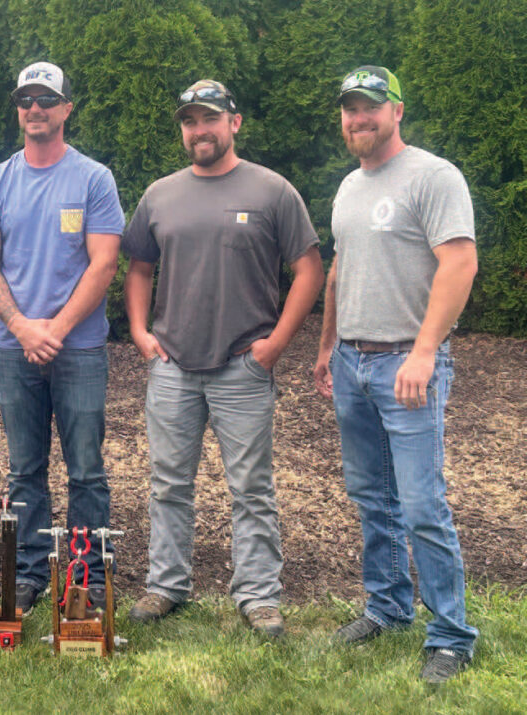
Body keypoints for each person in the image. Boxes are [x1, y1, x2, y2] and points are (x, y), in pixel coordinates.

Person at [122, 80, 324, 636]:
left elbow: (309, 269)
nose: (200, 130)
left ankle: (258, 595)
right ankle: (166, 585)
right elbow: (139, 267)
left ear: (234, 123)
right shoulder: (160, 194)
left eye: (210, 119)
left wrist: (276, 345)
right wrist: (139, 331)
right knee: (168, 484)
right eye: (190, 121)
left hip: (243, 366)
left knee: (251, 489)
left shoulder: (272, 190)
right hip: (173, 367)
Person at [313, 66, 479, 683]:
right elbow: (339, 270)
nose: (359, 118)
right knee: (371, 497)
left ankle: (451, 635)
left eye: (371, 107)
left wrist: (426, 351)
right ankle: (386, 608)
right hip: (352, 362)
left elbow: (459, 263)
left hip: (408, 363)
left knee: (421, 505)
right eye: (350, 108)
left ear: (397, 111)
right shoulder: (348, 186)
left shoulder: (433, 176)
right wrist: (328, 347)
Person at [0, 62, 125, 614]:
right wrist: (21, 327)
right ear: (18, 109)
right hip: (13, 347)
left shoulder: (93, 179)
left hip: (77, 349)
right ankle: (31, 572)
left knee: (86, 469)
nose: (34, 108)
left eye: (45, 99)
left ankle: (88, 576)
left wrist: (54, 331)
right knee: (24, 470)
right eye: (25, 100)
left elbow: (104, 264)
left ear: (66, 108)